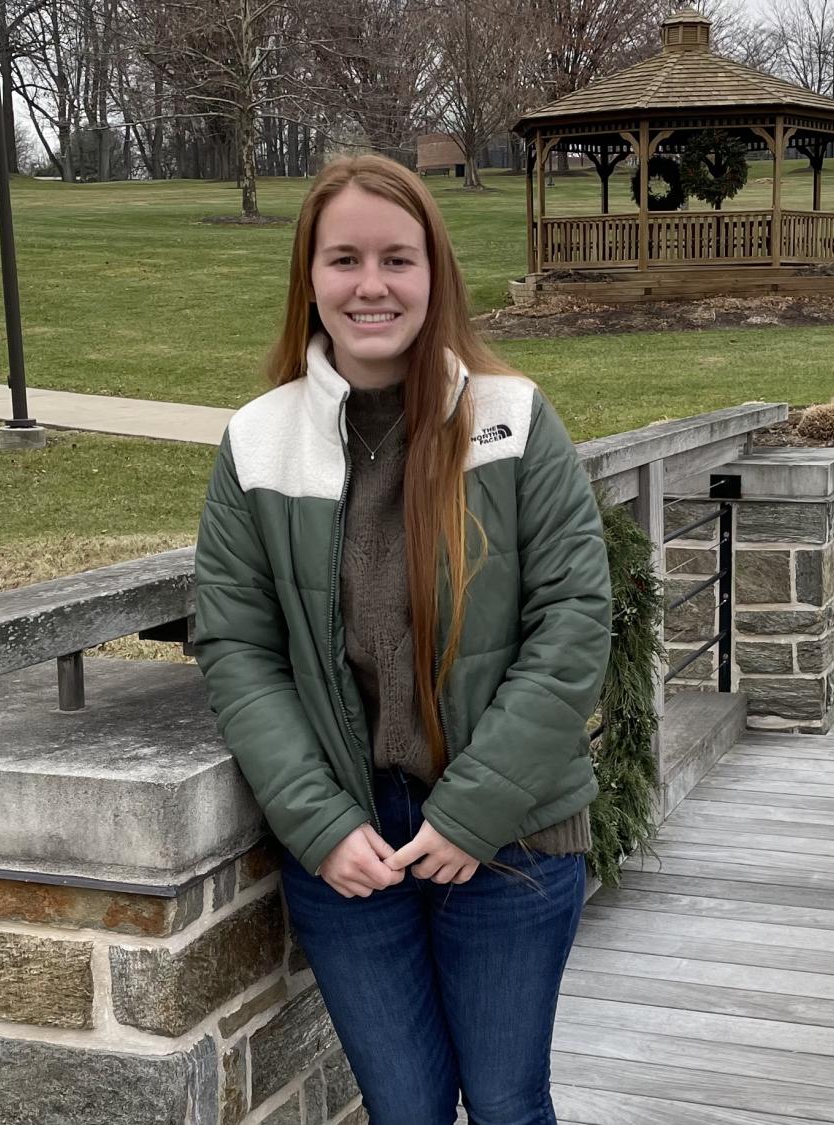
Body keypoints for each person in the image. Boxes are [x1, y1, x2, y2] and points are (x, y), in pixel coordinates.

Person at [192, 153, 612, 1125]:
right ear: (310, 276)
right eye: (343, 259)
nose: (370, 285)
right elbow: (238, 647)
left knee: (507, 1105)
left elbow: (573, 621)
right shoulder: (259, 441)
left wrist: (474, 812)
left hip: (511, 839)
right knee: (406, 1111)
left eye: (397, 259)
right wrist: (318, 821)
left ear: (435, 274)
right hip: (348, 843)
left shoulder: (511, 422)